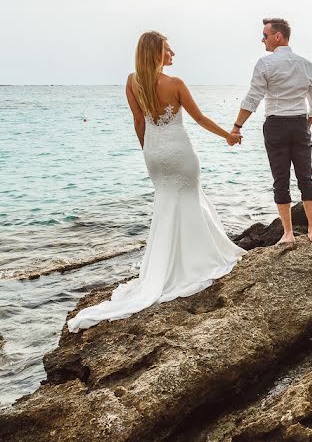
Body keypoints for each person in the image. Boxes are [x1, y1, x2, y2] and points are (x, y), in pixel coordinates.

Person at [67, 31, 246, 332]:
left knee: (166, 206)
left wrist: (148, 151)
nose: (173, 52)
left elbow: (139, 122)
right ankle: (195, 262)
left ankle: (163, 268)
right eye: (167, 48)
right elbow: (199, 119)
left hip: (153, 152)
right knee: (188, 200)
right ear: (156, 53)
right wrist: (228, 135)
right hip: (179, 150)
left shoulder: (131, 82)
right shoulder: (175, 84)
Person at [232, 17, 312, 244]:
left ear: (278, 36)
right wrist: (307, 123)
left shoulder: (265, 64)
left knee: (280, 179)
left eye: (265, 35)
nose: (262, 39)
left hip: (275, 125)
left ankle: (289, 234)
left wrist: (237, 126)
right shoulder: (306, 64)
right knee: (306, 177)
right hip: (299, 123)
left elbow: (253, 98)